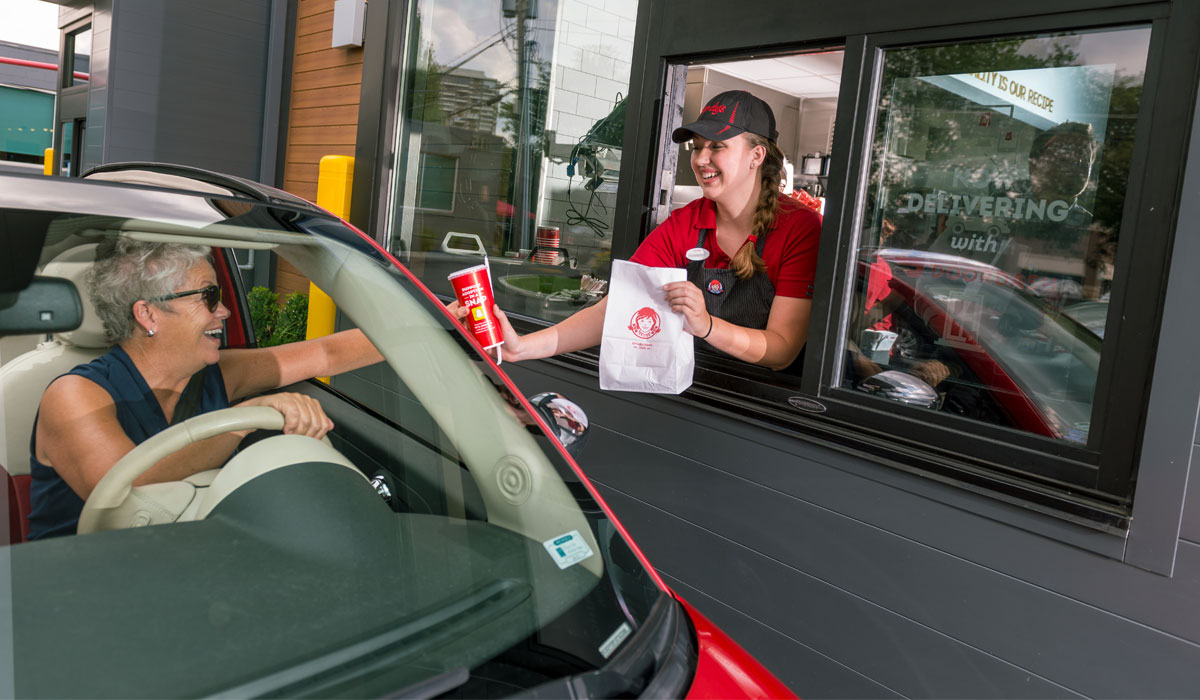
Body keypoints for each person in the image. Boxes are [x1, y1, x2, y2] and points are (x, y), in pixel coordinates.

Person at [27, 239, 383, 539]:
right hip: (77, 587)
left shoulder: (216, 374)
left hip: (185, 560)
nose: (225, 312)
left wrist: (436, 321)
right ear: (148, 315)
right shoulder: (75, 394)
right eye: (209, 298)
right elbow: (124, 488)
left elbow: (326, 353)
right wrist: (242, 419)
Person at [455, 90, 821, 371]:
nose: (701, 159)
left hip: (768, 409)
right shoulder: (686, 223)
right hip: (699, 389)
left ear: (757, 156)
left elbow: (782, 350)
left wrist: (706, 325)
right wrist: (522, 347)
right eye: (696, 148)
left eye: (717, 147)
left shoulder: (799, 228)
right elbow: (616, 309)